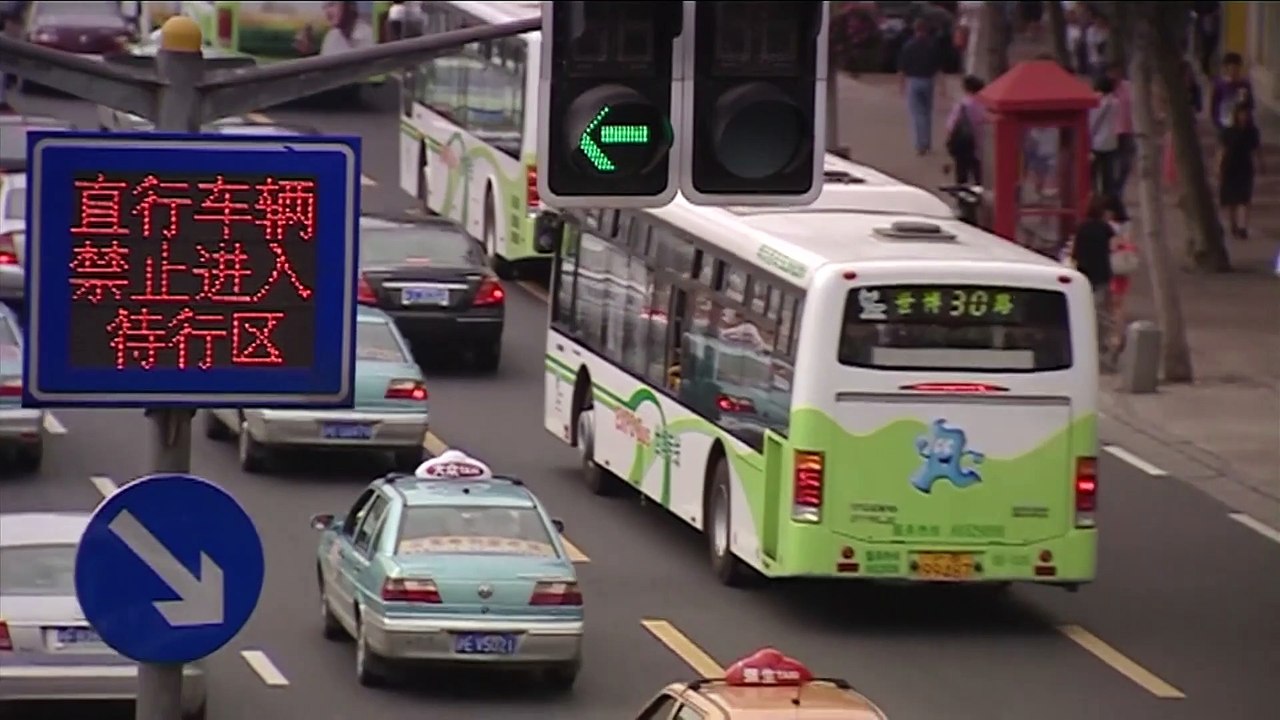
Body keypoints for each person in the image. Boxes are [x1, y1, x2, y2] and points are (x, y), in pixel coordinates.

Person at [1070, 195, 1116, 368]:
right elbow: (1113, 248)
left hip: (1084, 275)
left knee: (1086, 313)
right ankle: (1102, 350)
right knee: (1102, 314)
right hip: (1102, 275)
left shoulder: (1081, 227)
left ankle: (1086, 349)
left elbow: (1075, 253)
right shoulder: (1105, 229)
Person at [1217, 103, 1263, 240]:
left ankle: (1243, 227)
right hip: (1230, 166)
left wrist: (1260, 163)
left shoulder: (1252, 131)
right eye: (1241, 113)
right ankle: (1233, 224)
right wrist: (1218, 167)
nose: (1244, 116)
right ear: (1236, 115)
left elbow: (1257, 149)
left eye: (1246, 114)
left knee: (1245, 199)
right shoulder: (1228, 131)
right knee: (1231, 200)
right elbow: (1221, 150)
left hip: (1245, 167)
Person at [898, 19, 943, 156]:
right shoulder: (932, 46)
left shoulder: (908, 46)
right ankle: (927, 142)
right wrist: (942, 86)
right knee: (927, 113)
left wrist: (901, 85)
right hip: (928, 81)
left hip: (914, 81)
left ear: (915, 30)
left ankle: (920, 145)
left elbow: (902, 68)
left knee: (917, 114)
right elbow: (937, 67)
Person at [1105, 197, 1137, 358]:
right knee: (1119, 303)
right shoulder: (1127, 226)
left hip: (1112, 267)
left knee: (1113, 305)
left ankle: (1116, 336)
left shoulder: (1110, 227)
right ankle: (1120, 333)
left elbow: (1113, 245)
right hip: (1123, 267)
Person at [945, 75, 986, 185]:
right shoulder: (982, 104)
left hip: (962, 143)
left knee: (962, 172)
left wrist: (950, 139)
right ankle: (977, 193)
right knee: (976, 171)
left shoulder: (961, 105)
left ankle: (963, 196)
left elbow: (950, 125)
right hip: (976, 144)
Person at [295, 1, 374, 57]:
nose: (327, 12)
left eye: (332, 4)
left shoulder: (368, 37)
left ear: (349, 5)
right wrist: (308, 53)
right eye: (325, 7)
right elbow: (324, 73)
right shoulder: (331, 36)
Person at [1089, 75, 1120, 200]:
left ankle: (1094, 199)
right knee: (1108, 176)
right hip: (1110, 142)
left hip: (1095, 142)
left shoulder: (1095, 102)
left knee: (1092, 175)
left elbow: (1091, 122)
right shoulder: (1115, 102)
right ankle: (1107, 200)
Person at [1106, 63, 1135, 192]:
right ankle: (1111, 189)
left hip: (1126, 131)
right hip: (1110, 132)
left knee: (1125, 164)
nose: (1115, 76)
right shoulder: (1105, 88)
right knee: (1110, 163)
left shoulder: (1129, 87)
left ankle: (1118, 189)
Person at [1210, 52, 1254, 132]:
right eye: (1232, 69)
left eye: (1237, 69)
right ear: (1226, 68)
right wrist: (1218, 122)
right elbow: (1214, 105)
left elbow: (1250, 105)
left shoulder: (1244, 85)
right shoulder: (1219, 85)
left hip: (1243, 125)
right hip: (1225, 123)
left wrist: (1245, 114)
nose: (1234, 72)